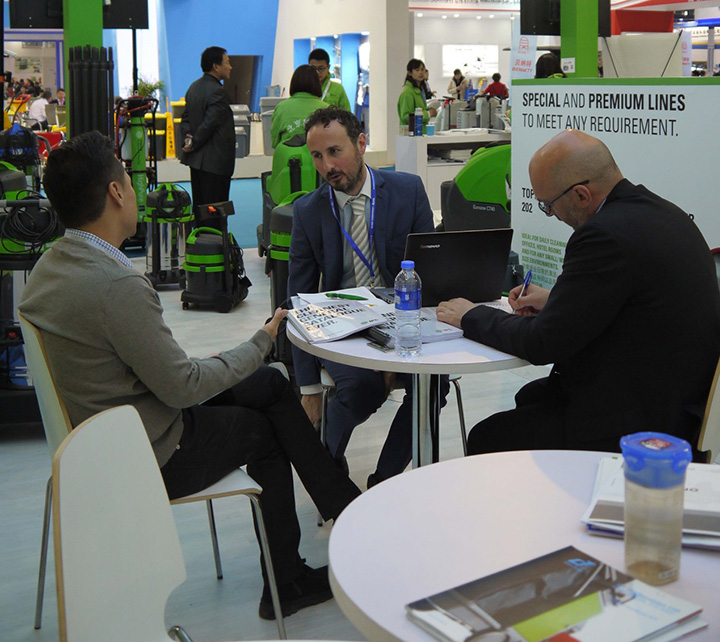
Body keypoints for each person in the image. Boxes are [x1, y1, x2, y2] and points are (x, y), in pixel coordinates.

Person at [18, 130, 362, 621]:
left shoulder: (52, 266)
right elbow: (182, 387)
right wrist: (261, 341)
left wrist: (232, 361)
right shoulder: (115, 284)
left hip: (100, 436)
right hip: (148, 451)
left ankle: (343, 508)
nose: (132, 190)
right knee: (266, 430)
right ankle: (288, 579)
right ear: (116, 193)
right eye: (127, 182)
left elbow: (150, 367)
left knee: (269, 383)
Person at [437, 129, 720, 458]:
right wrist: (555, 301)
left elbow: (542, 343)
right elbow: (633, 303)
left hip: (639, 423)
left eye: (548, 205)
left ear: (582, 195)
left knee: (488, 437)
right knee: (531, 397)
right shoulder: (664, 213)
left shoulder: (603, 235)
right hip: (677, 401)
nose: (551, 214)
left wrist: (470, 315)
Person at [288, 106, 449, 488]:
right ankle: (329, 476)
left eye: (335, 151)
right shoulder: (309, 211)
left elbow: (430, 274)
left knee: (433, 384)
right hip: (342, 327)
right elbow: (296, 300)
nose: (327, 166)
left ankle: (383, 482)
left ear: (361, 143)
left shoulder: (408, 191)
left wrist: (395, 347)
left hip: (404, 319)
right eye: (317, 156)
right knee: (361, 389)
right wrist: (308, 387)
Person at [179, 46, 235, 220]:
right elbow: (210, 123)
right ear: (216, 66)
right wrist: (195, 141)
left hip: (197, 162)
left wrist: (189, 140)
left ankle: (201, 236)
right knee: (215, 212)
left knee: (200, 208)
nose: (230, 67)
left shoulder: (194, 87)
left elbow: (185, 119)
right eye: (227, 62)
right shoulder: (218, 91)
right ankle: (215, 237)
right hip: (215, 163)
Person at [270, 64, 328, 149]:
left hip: (288, 155)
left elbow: (275, 143)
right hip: (317, 156)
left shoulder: (281, 107)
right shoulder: (326, 109)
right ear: (317, 84)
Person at [397, 58, 436, 132]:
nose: (420, 72)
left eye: (422, 69)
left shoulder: (420, 90)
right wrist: (428, 114)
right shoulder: (408, 92)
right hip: (411, 134)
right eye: (417, 70)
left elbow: (419, 109)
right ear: (410, 73)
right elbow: (406, 117)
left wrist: (428, 109)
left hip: (421, 133)